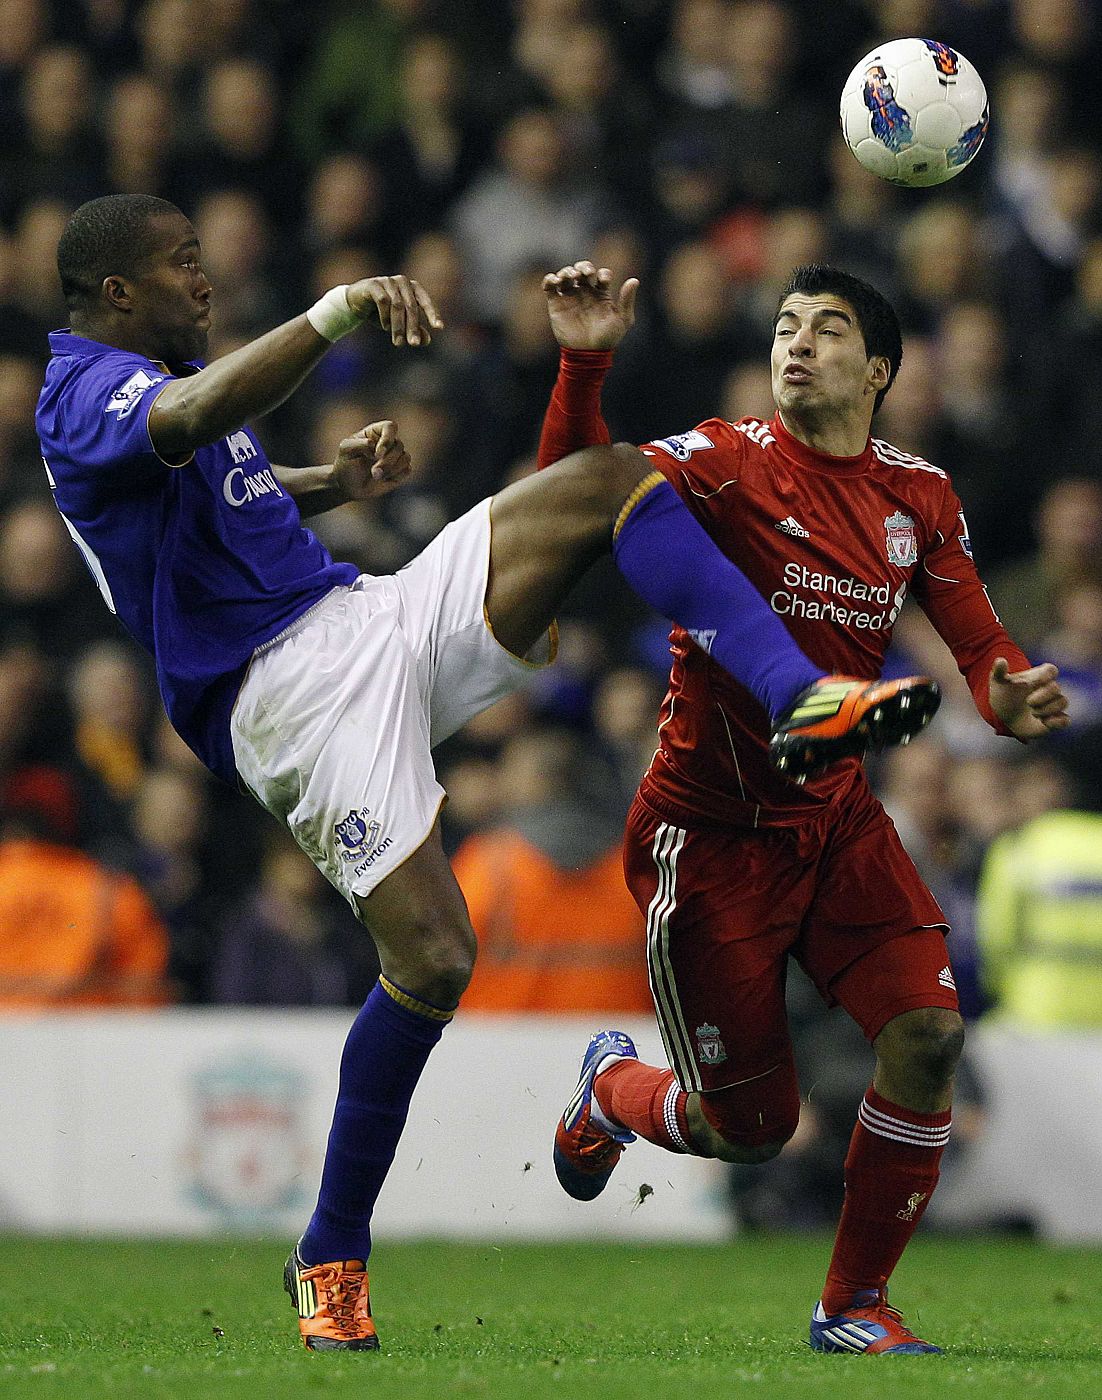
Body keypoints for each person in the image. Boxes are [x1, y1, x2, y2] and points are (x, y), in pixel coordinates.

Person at [37, 194, 936, 1353]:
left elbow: (210, 487)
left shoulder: (161, 371)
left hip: (358, 611)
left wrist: (328, 483)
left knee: (606, 482)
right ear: (116, 291)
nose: (203, 283)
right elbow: (194, 415)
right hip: (281, 692)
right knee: (436, 955)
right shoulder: (82, 391)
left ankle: (796, 692)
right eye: (182, 264)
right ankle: (329, 1251)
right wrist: (334, 312)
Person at [538, 259, 1070, 1356]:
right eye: (785, 324)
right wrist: (586, 360)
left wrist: (1010, 690)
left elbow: (981, 648)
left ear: (877, 370)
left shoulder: (918, 494)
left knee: (926, 1033)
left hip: (835, 814)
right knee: (751, 1129)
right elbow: (569, 490)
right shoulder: (722, 460)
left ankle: (852, 1304)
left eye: (827, 329)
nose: (797, 341)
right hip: (711, 833)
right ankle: (611, 1089)